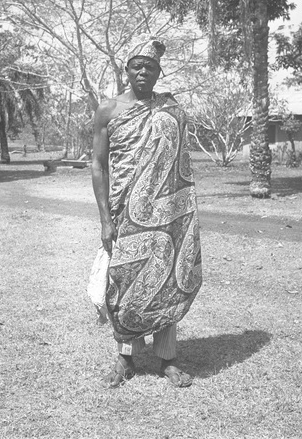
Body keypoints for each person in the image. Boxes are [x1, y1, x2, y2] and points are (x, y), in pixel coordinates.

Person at [91, 38, 202, 389]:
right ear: (126, 70)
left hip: (164, 212)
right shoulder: (108, 110)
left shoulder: (170, 109)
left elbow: (179, 161)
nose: (143, 71)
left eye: (150, 66)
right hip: (124, 211)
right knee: (124, 282)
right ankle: (126, 359)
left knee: (166, 279)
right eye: (137, 65)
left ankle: (167, 359)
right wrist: (105, 220)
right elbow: (98, 166)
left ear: (159, 72)